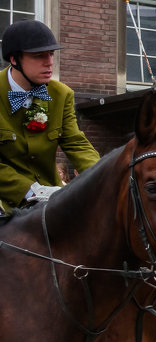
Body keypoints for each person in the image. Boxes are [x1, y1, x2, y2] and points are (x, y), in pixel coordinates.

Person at [0, 20, 99, 213]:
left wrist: (104, 175)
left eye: (51, 54)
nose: (49, 62)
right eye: (39, 56)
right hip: (5, 199)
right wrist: (30, 190)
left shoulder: (62, 94)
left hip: (51, 195)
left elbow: (76, 143)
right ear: (14, 59)